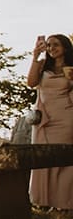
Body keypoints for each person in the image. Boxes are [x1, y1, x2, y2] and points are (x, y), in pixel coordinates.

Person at [27, 34, 73, 208]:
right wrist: (35, 56)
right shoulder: (42, 66)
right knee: (42, 159)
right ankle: (43, 202)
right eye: (48, 45)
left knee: (65, 161)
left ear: (66, 48)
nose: (52, 48)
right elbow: (31, 83)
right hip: (44, 118)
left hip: (67, 118)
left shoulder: (72, 68)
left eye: (56, 45)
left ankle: (65, 204)